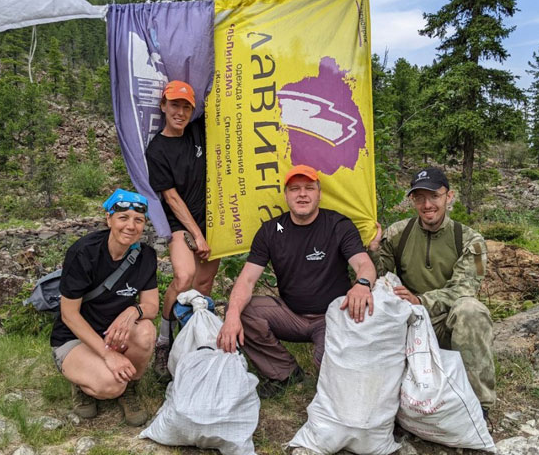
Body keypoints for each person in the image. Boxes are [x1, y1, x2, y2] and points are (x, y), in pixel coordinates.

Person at [217, 165, 377, 398]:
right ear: (286, 195)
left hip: (332, 317)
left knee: (333, 379)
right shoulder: (271, 230)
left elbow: (364, 264)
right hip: (290, 314)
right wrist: (231, 315)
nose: (302, 194)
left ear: (319, 194)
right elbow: (247, 280)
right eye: (295, 189)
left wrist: (362, 284)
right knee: (243, 310)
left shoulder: (338, 225)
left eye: (309, 188)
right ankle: (286, 373)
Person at [368, 167, 495, 416]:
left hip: (443, 325)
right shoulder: (398, 233)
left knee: (471, 310)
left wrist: (420, 300)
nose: (427, 205)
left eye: (434, 196)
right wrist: (373, 250)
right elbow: (380, 278)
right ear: (413, 201)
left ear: (449, 197)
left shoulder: (470, 240)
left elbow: (463, 289)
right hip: (407, 323)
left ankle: (479, 404)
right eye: (419, 198)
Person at [49, 189, 158, 426]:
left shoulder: (146, 256)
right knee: (110, 385)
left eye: (138, 220)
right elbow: (69, 315)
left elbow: (151, 306)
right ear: (108, 219)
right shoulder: (83, 253)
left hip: (114, 333)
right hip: (74, 337)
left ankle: (130, 386)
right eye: (123, 218)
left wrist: (133, 311)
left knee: (146, 331)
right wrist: (107, 353)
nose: (131, 226)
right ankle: (83, 384)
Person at [146, 80, 220, 380]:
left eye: (186, 106)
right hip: (182, 223)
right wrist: (197, 235)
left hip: (214, 220)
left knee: (203, 285)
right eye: (174, 105)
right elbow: (172, 198)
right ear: (163, 106)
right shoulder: (157, 150)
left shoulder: (197, 130)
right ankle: (164, 340)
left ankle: (190, 342)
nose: (180, 112)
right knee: (184, 276)